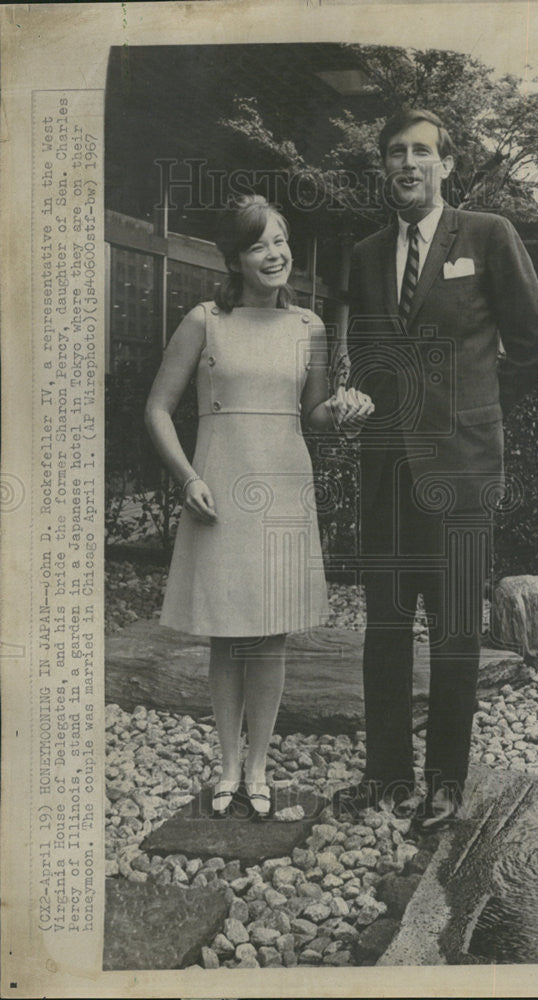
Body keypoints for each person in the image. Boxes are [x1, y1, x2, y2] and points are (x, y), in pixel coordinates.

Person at [338, 109, 538, 830]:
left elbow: (533, 348)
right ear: (384, 167)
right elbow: (368, 357)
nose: (408, 163)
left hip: (461, 466)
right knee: (386, 627)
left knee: (456, 629)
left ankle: (445, 782)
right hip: (385, 468)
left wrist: (472, 409)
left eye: (421, 152)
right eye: (395, 152)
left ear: (446, 163)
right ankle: (385, 776)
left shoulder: (487, 237)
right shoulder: (367, 254)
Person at [145, 194, 373, 819]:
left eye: (279, 242)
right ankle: (224, 766)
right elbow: (157, 408)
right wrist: (187, 476)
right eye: (257, 245)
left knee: (269, 633)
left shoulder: (311, 328)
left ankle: (259, 766)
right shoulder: (204, 320)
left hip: (282, 488)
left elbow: (316, 418)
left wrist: (347, 413)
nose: (273, 255)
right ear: (235, 258)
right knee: (225, 632)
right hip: (218, 487)